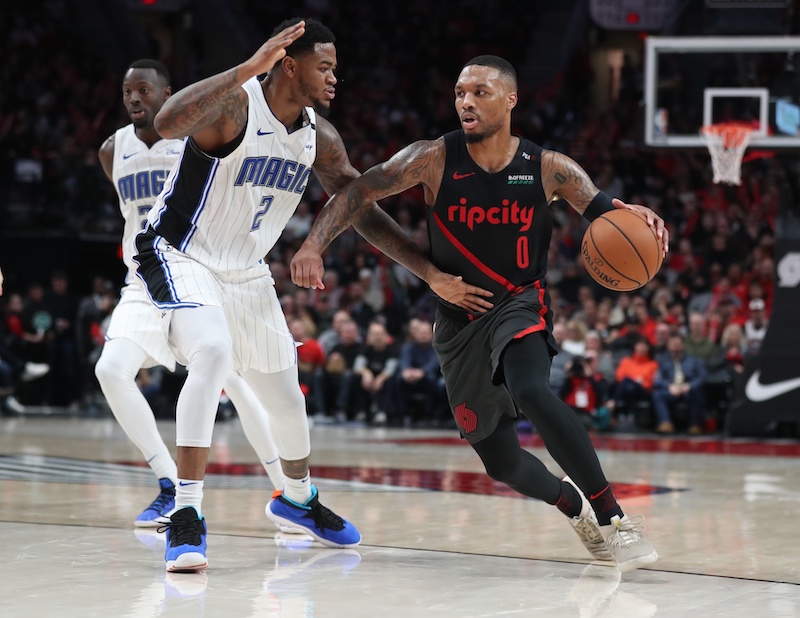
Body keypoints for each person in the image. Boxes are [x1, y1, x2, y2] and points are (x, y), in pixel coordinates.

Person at [292, 55, 669, 572]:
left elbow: (607, 213)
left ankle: (614, 519)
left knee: (531, 389)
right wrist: (315, 244)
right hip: (458, 319)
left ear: (511, 100)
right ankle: (572, 505)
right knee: (502, 463)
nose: (465, 102)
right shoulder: (431, 158)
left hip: (519, 302)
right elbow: (357, 192)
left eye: (479, 92)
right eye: (460, 93)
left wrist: (638, 218)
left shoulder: (549, 167)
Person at [132, 20, 485, 571]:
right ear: (289, 65)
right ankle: (187, 511)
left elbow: (358, 204)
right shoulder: (236, 106)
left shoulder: (318, 137)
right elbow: (166, 121)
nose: (334, 77)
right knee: (213, 352)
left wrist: (426, 272)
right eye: (325, 66)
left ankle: (297, 499)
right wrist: (249, 67)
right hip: (180, 252)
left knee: (285, 398)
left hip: (246, 270)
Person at [95, 59, 292, 531]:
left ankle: (286, 491)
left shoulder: (197, 132)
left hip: (196, 267)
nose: (134, 98)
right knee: (111, 370)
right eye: (127, 91)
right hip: (143, 277)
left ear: (168, 94)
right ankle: (168, 482)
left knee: (234, 379)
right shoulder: (112, 150)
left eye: (144, 90)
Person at [652, 334, 707, 435]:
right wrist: (669, 386)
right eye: (672, 345)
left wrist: (690, 386)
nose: (675, 347)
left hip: (688, 389)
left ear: (682, 346)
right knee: (657, 394)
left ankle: (694, 425)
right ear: (668, 346)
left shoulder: (694, 360)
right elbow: (657, 379)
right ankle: (665, 423)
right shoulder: (663, 361)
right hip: (672, 389)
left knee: (696, 392)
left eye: (677, 344)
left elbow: (702, 377)